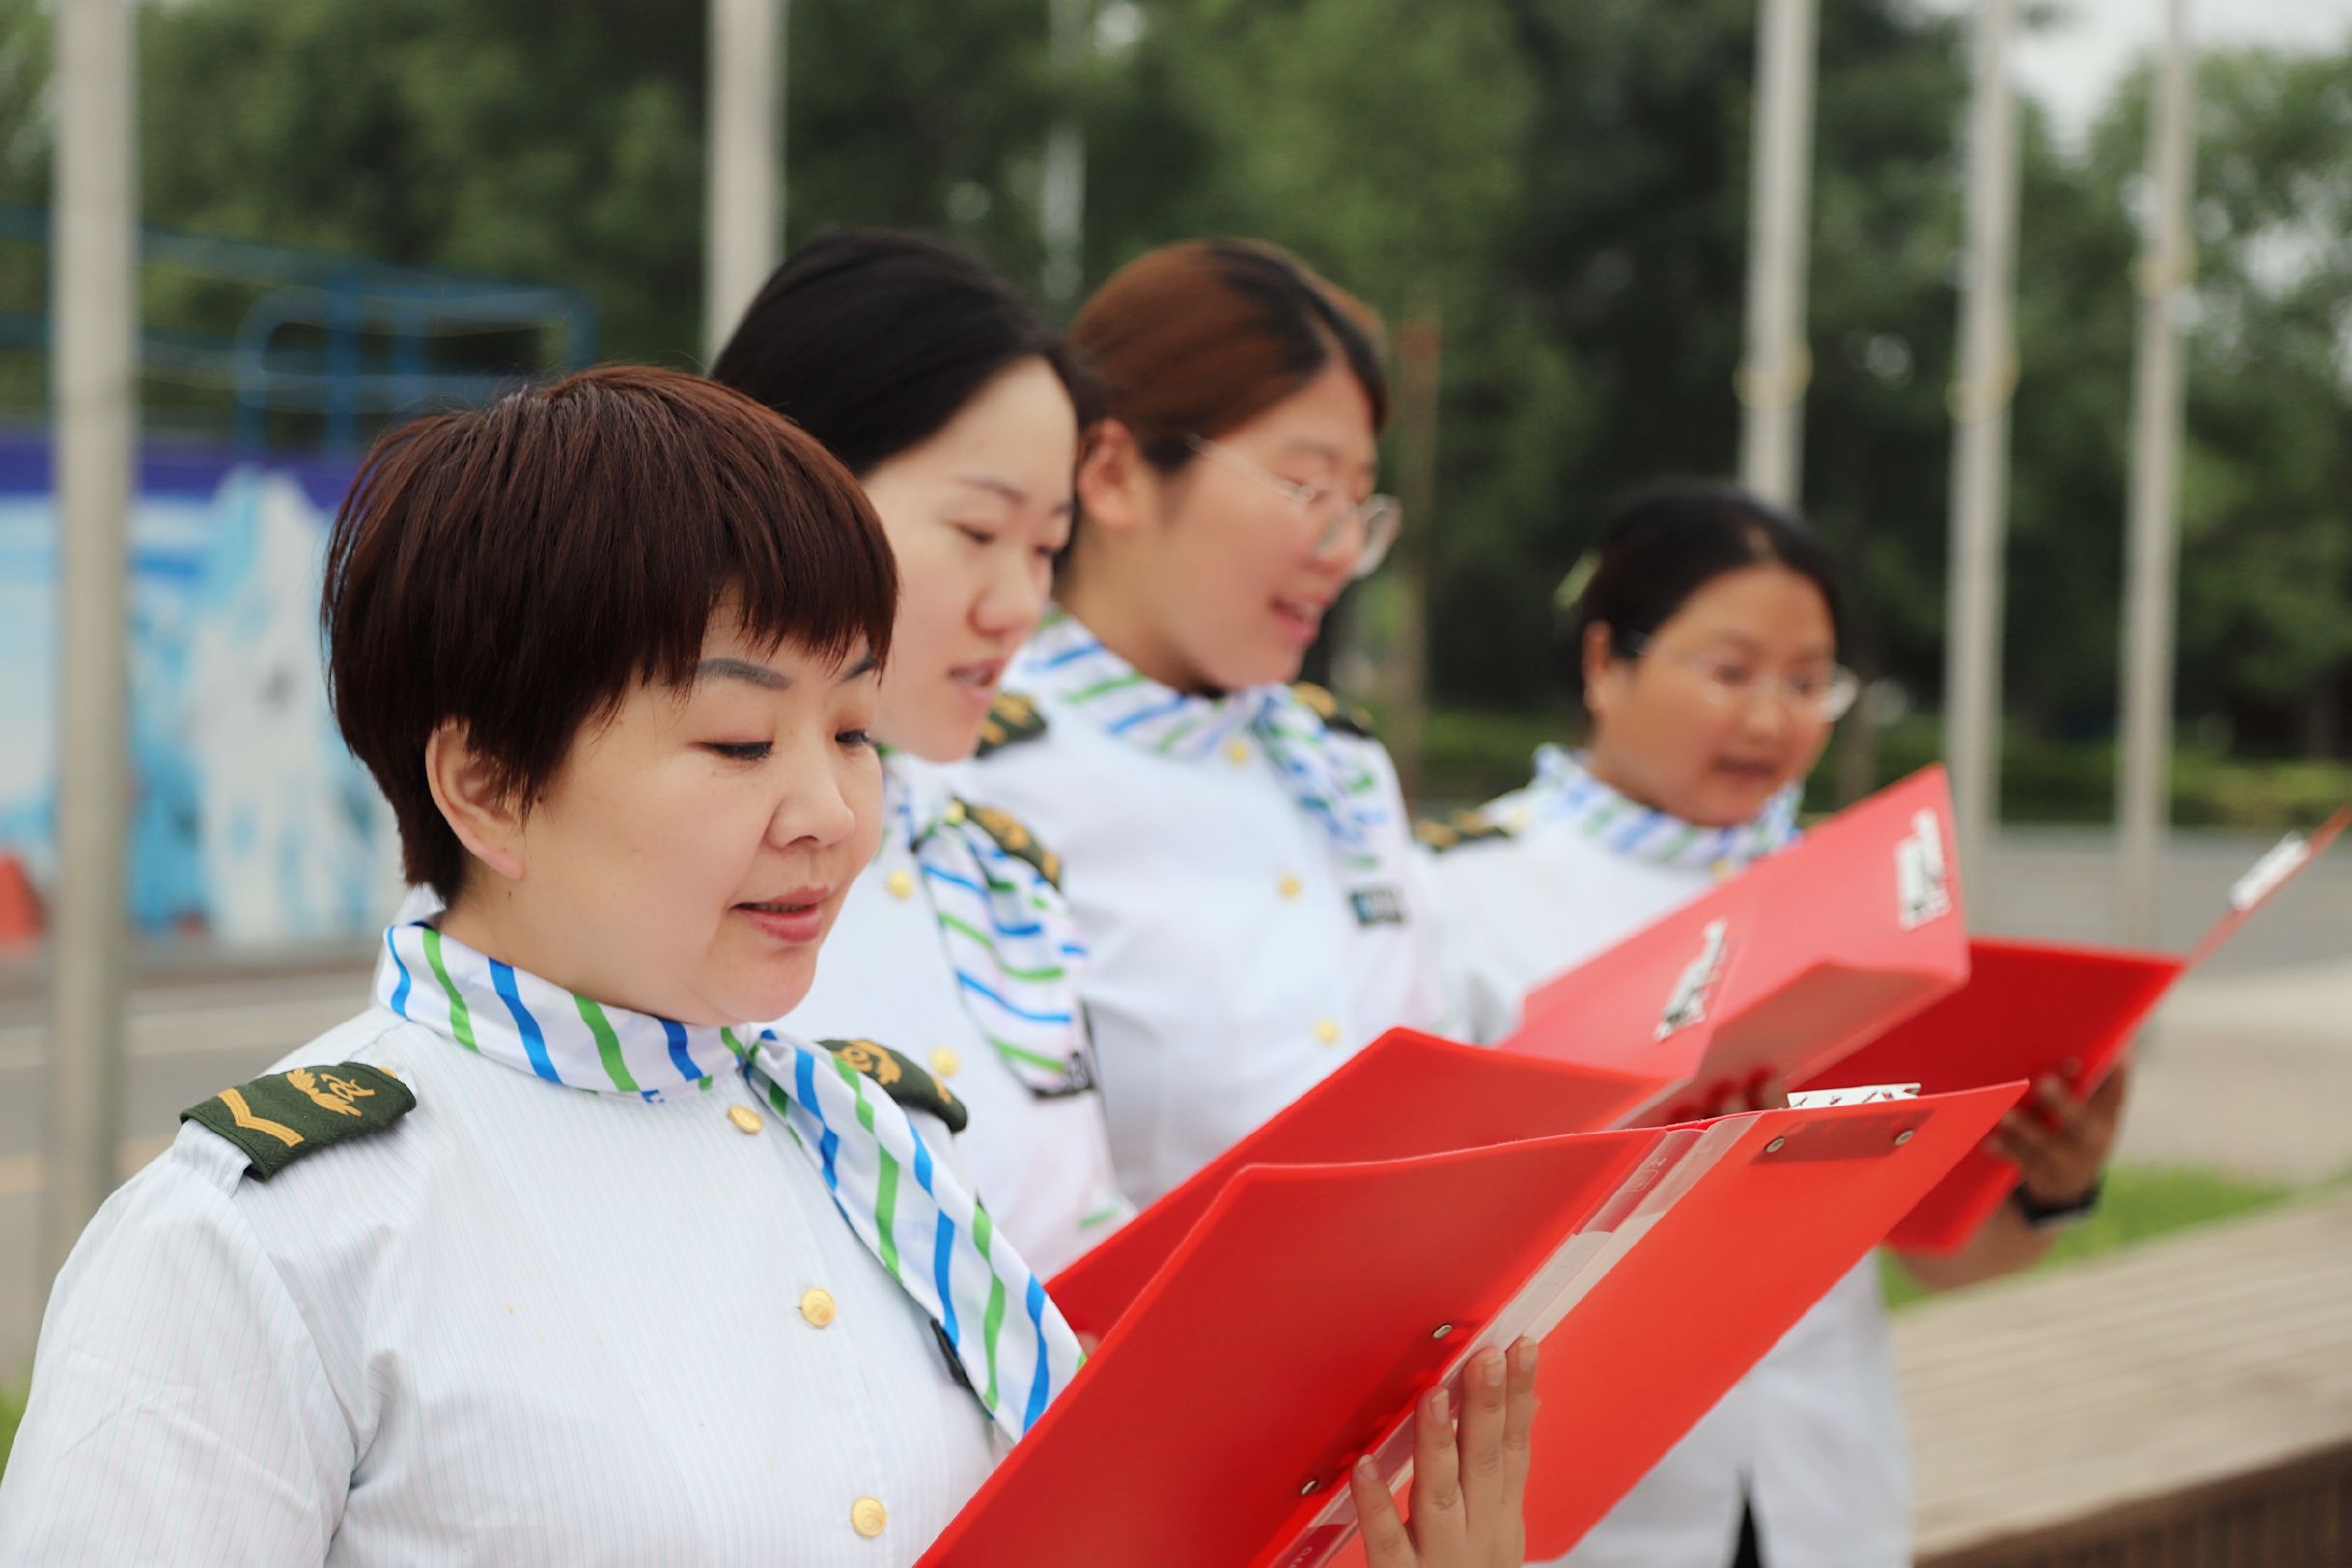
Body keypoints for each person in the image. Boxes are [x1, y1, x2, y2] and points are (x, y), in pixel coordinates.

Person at [0, 366, 1539, 1568]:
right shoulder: (260, 1245)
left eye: (854, 730)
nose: (832, 814)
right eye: (740, 741)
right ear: (485, 786)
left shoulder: (879, 1158)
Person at [1424, 484, 2126, 1568]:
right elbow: (1425, 1262)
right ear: (1606, 661)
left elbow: (1938, 1260)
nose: (1770, 719)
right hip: (1587, 1508)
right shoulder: (1460, 896)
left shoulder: (1867, 894)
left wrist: (2049, 1186)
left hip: (1817, 1493)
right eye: (1730, 671)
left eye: (1808, 682)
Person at [956, 238, 1446, 1210]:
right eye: (1307, 490)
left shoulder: (1338, 769)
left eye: (1360, 506)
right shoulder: (977, 773)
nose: (1340, 551)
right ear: (1114, 473)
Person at [709, 230, 1131, 1277]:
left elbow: (1076, 1232)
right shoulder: (615, 855)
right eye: (979, 531)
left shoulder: (995, 867)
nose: (1021, 605)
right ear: (792, 484)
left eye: (1047, 547)